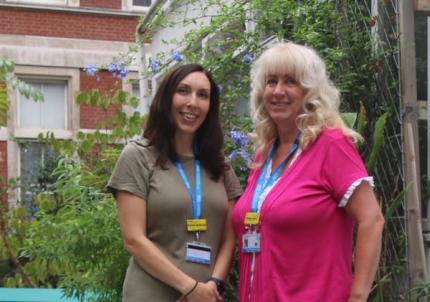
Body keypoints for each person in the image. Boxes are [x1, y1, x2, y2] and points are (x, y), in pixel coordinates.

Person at [232, 42, 385, 301]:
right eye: (271, 82)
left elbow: (372, 220)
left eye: (290, 81)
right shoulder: (264, 153)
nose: (278, 91)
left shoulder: (331, 144)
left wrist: (358, 296)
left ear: (309, 92)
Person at [107, 64, 243, 301]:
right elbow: (134, 240)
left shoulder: (219, 165)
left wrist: (213, 284)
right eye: (184, 91)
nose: (193, 102)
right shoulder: (138, 156)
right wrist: (191, 288)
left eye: (203, 95)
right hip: (151, 293)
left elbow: (229, 238)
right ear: (166, 98)